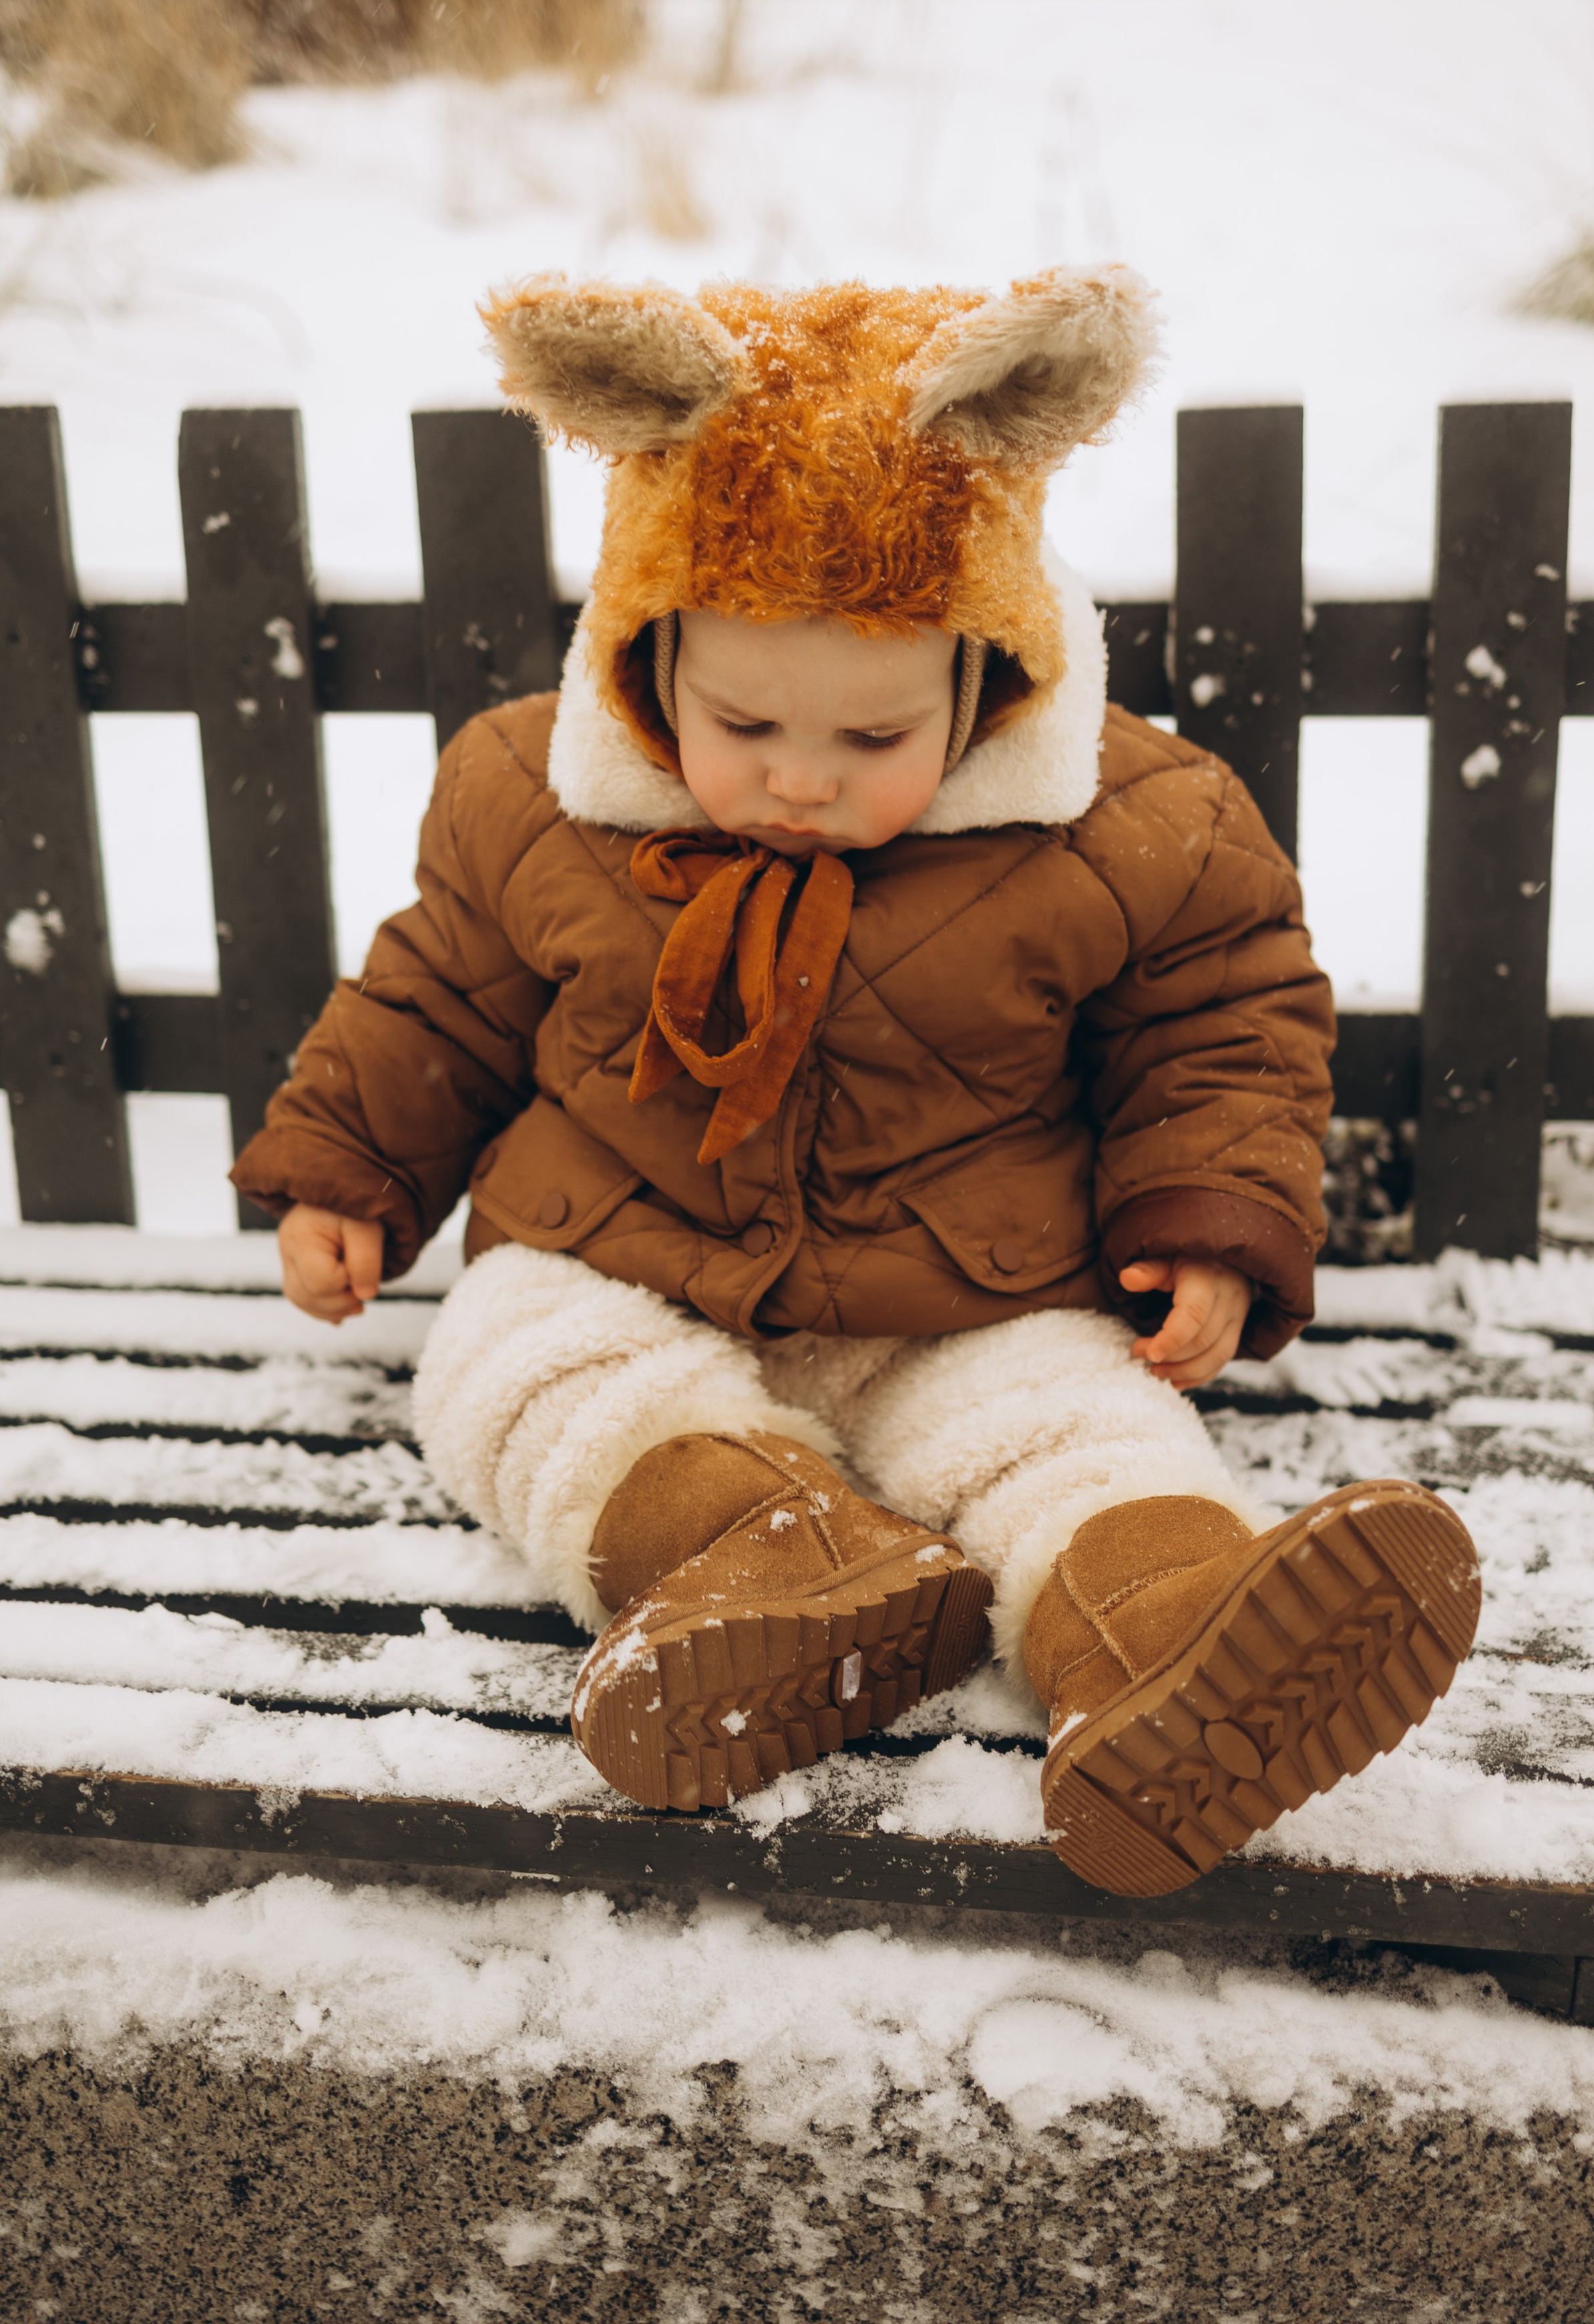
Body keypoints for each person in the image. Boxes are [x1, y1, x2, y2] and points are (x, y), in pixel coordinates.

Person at [232, 266, 1480, 1897]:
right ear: (646, 660)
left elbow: (1223, 1024)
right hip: (624, 1257)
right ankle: (755, 1563)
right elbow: (439, 995)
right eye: (741, 722)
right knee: (512, 1364)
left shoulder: (1133, 827)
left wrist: (1214, 1220)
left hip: (964, 1287)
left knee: (1068, 1432)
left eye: (875, 741)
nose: (801, 781)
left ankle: (1172, 1636)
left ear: (987, 679)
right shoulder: (530, 799)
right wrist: (350, 1168)